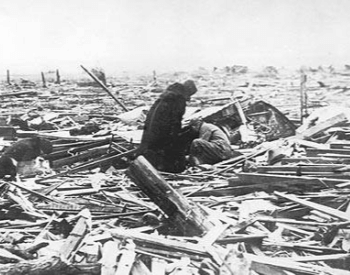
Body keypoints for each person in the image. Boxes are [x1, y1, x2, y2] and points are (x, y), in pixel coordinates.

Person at [138, 80, 197, 172]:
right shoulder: (178, 99)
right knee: (173, 147)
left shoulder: (165, 97)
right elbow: (175, 121)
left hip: (152, 130)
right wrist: (176, 136)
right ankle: (171, 170)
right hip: (162, 130)